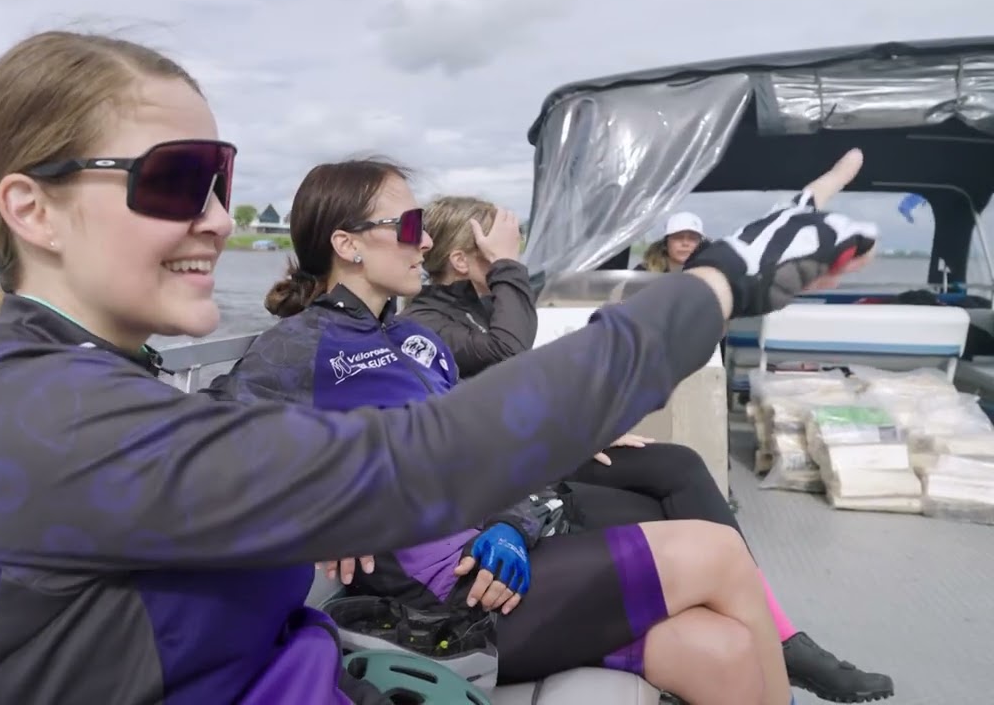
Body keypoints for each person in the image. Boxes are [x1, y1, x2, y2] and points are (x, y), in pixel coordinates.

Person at [0, 28, 876, 705]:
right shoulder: (19, 415)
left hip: (320, 666)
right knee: (700, 571)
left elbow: (368, 452)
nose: (222, 219)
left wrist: (460, 513)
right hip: (372, 634)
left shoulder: (91, 385)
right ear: (31, 208)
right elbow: (407, 461)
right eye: (179, 180)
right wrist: (711, 287)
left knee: (713, 644)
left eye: (221, 180)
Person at [204, 154, 876, 705]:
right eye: (408, 223)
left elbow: (479, 450)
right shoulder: (301, 347)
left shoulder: (415, 342)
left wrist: (515, 522)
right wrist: (319, 506)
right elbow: (212, 441)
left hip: (498, 568)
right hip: (435, 603)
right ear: (346, 244)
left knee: (722, 653)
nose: (426, 239)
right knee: (715, 551)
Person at [398, 195, 895, 703]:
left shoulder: (477, 304)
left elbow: (521, 393)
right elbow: (509, 353)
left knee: (675, 465)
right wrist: (507, 269)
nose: (512, 255)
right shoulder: (427, 323)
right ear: (462, 260)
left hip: (528, 458)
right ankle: (776, 637)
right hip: (513, 477)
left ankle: (777, 634)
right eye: (496, 247)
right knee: (661, 503)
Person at [637, 211, 706, 272]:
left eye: (692, 238)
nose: (685, 243)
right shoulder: (643, 272)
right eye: (678, 237)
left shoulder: (709, 273)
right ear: (666, 242)